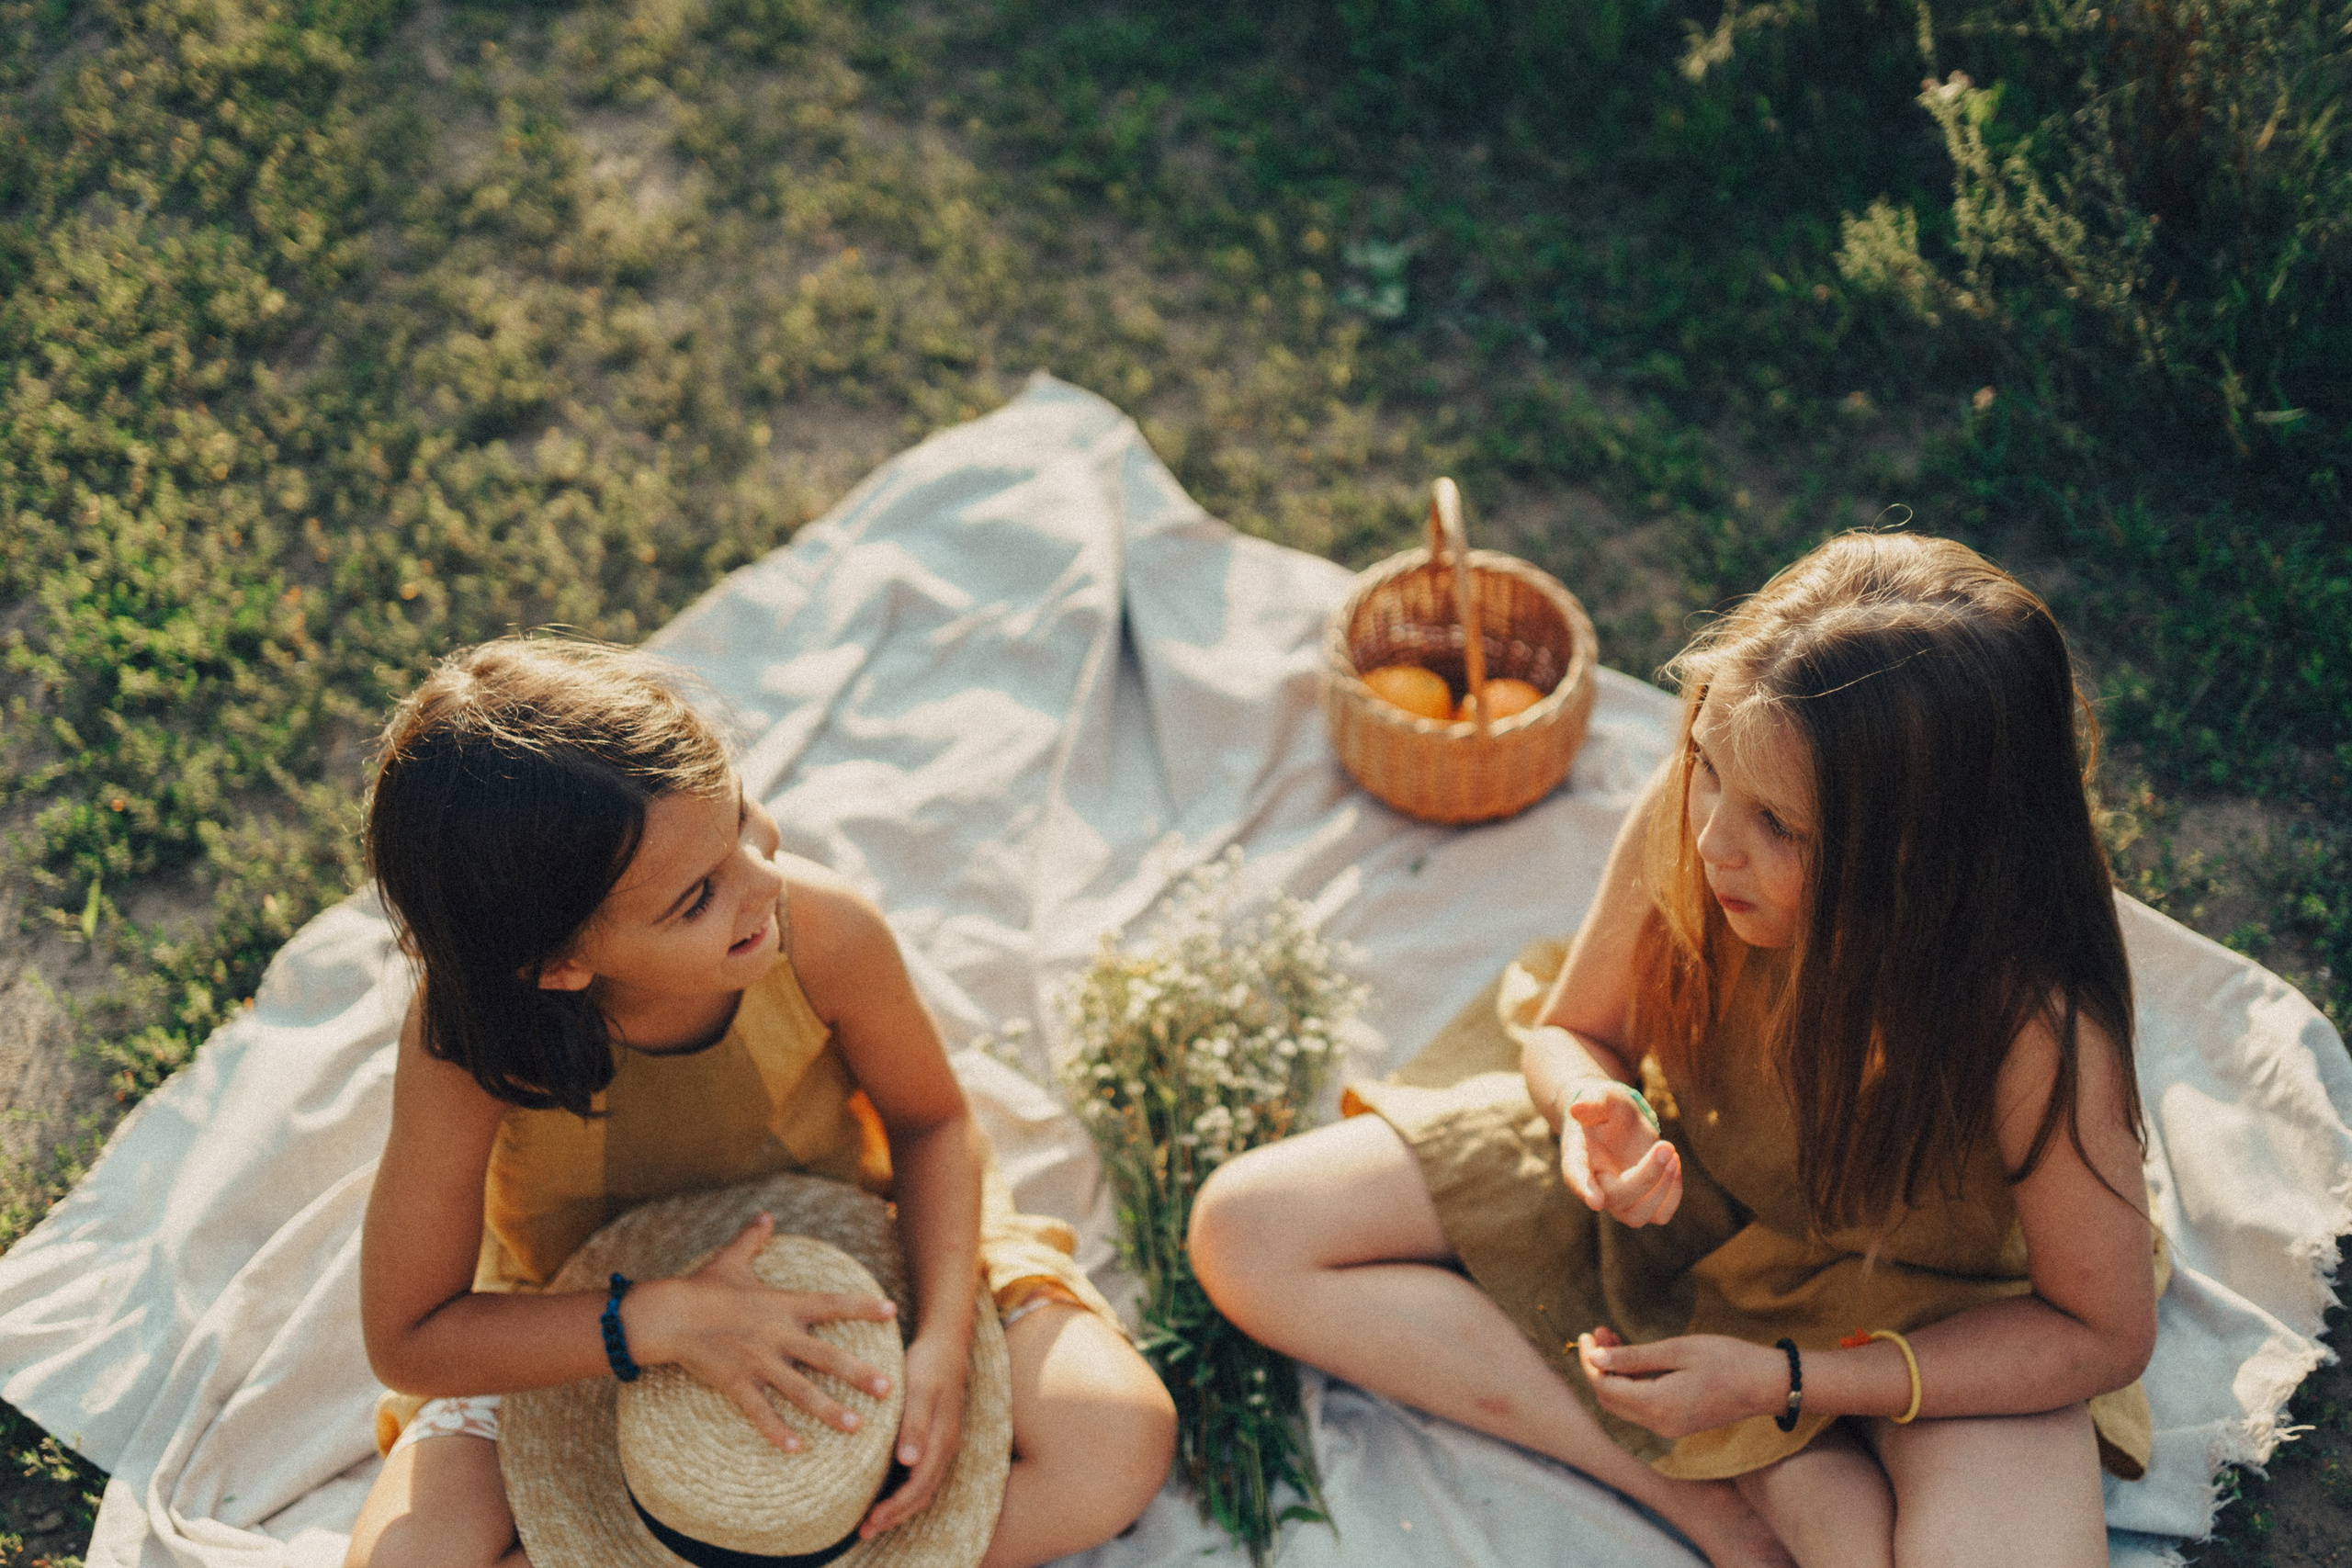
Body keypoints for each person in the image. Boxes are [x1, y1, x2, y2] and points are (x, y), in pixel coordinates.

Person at [1189, 531, 2159, 1568]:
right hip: (1688, 1195)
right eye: (1706, 767)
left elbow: (2098, 1332)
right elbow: (1576, 1033)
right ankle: (1704, 1490)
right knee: (1247, 1232)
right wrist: (1588, 1113)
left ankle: (1765, 1443)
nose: (1710, 845)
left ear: (1921, 859)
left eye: (1779, 825)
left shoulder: (2034, 1030)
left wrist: (1790, 1385)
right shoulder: (1706, 826)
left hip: (1935, 1305)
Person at [344, 637, 1175, 1568]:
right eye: (697, 897)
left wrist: (941, 1344)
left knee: (1117, 1437)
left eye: (740, 817)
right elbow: (411, 1338)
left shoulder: (818, 929)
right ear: (558, 968)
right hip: (574, 1309)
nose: (764, 882)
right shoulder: (468, 1045)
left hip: (863, 1244)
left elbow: (934, 1122)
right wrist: (648, 1322)